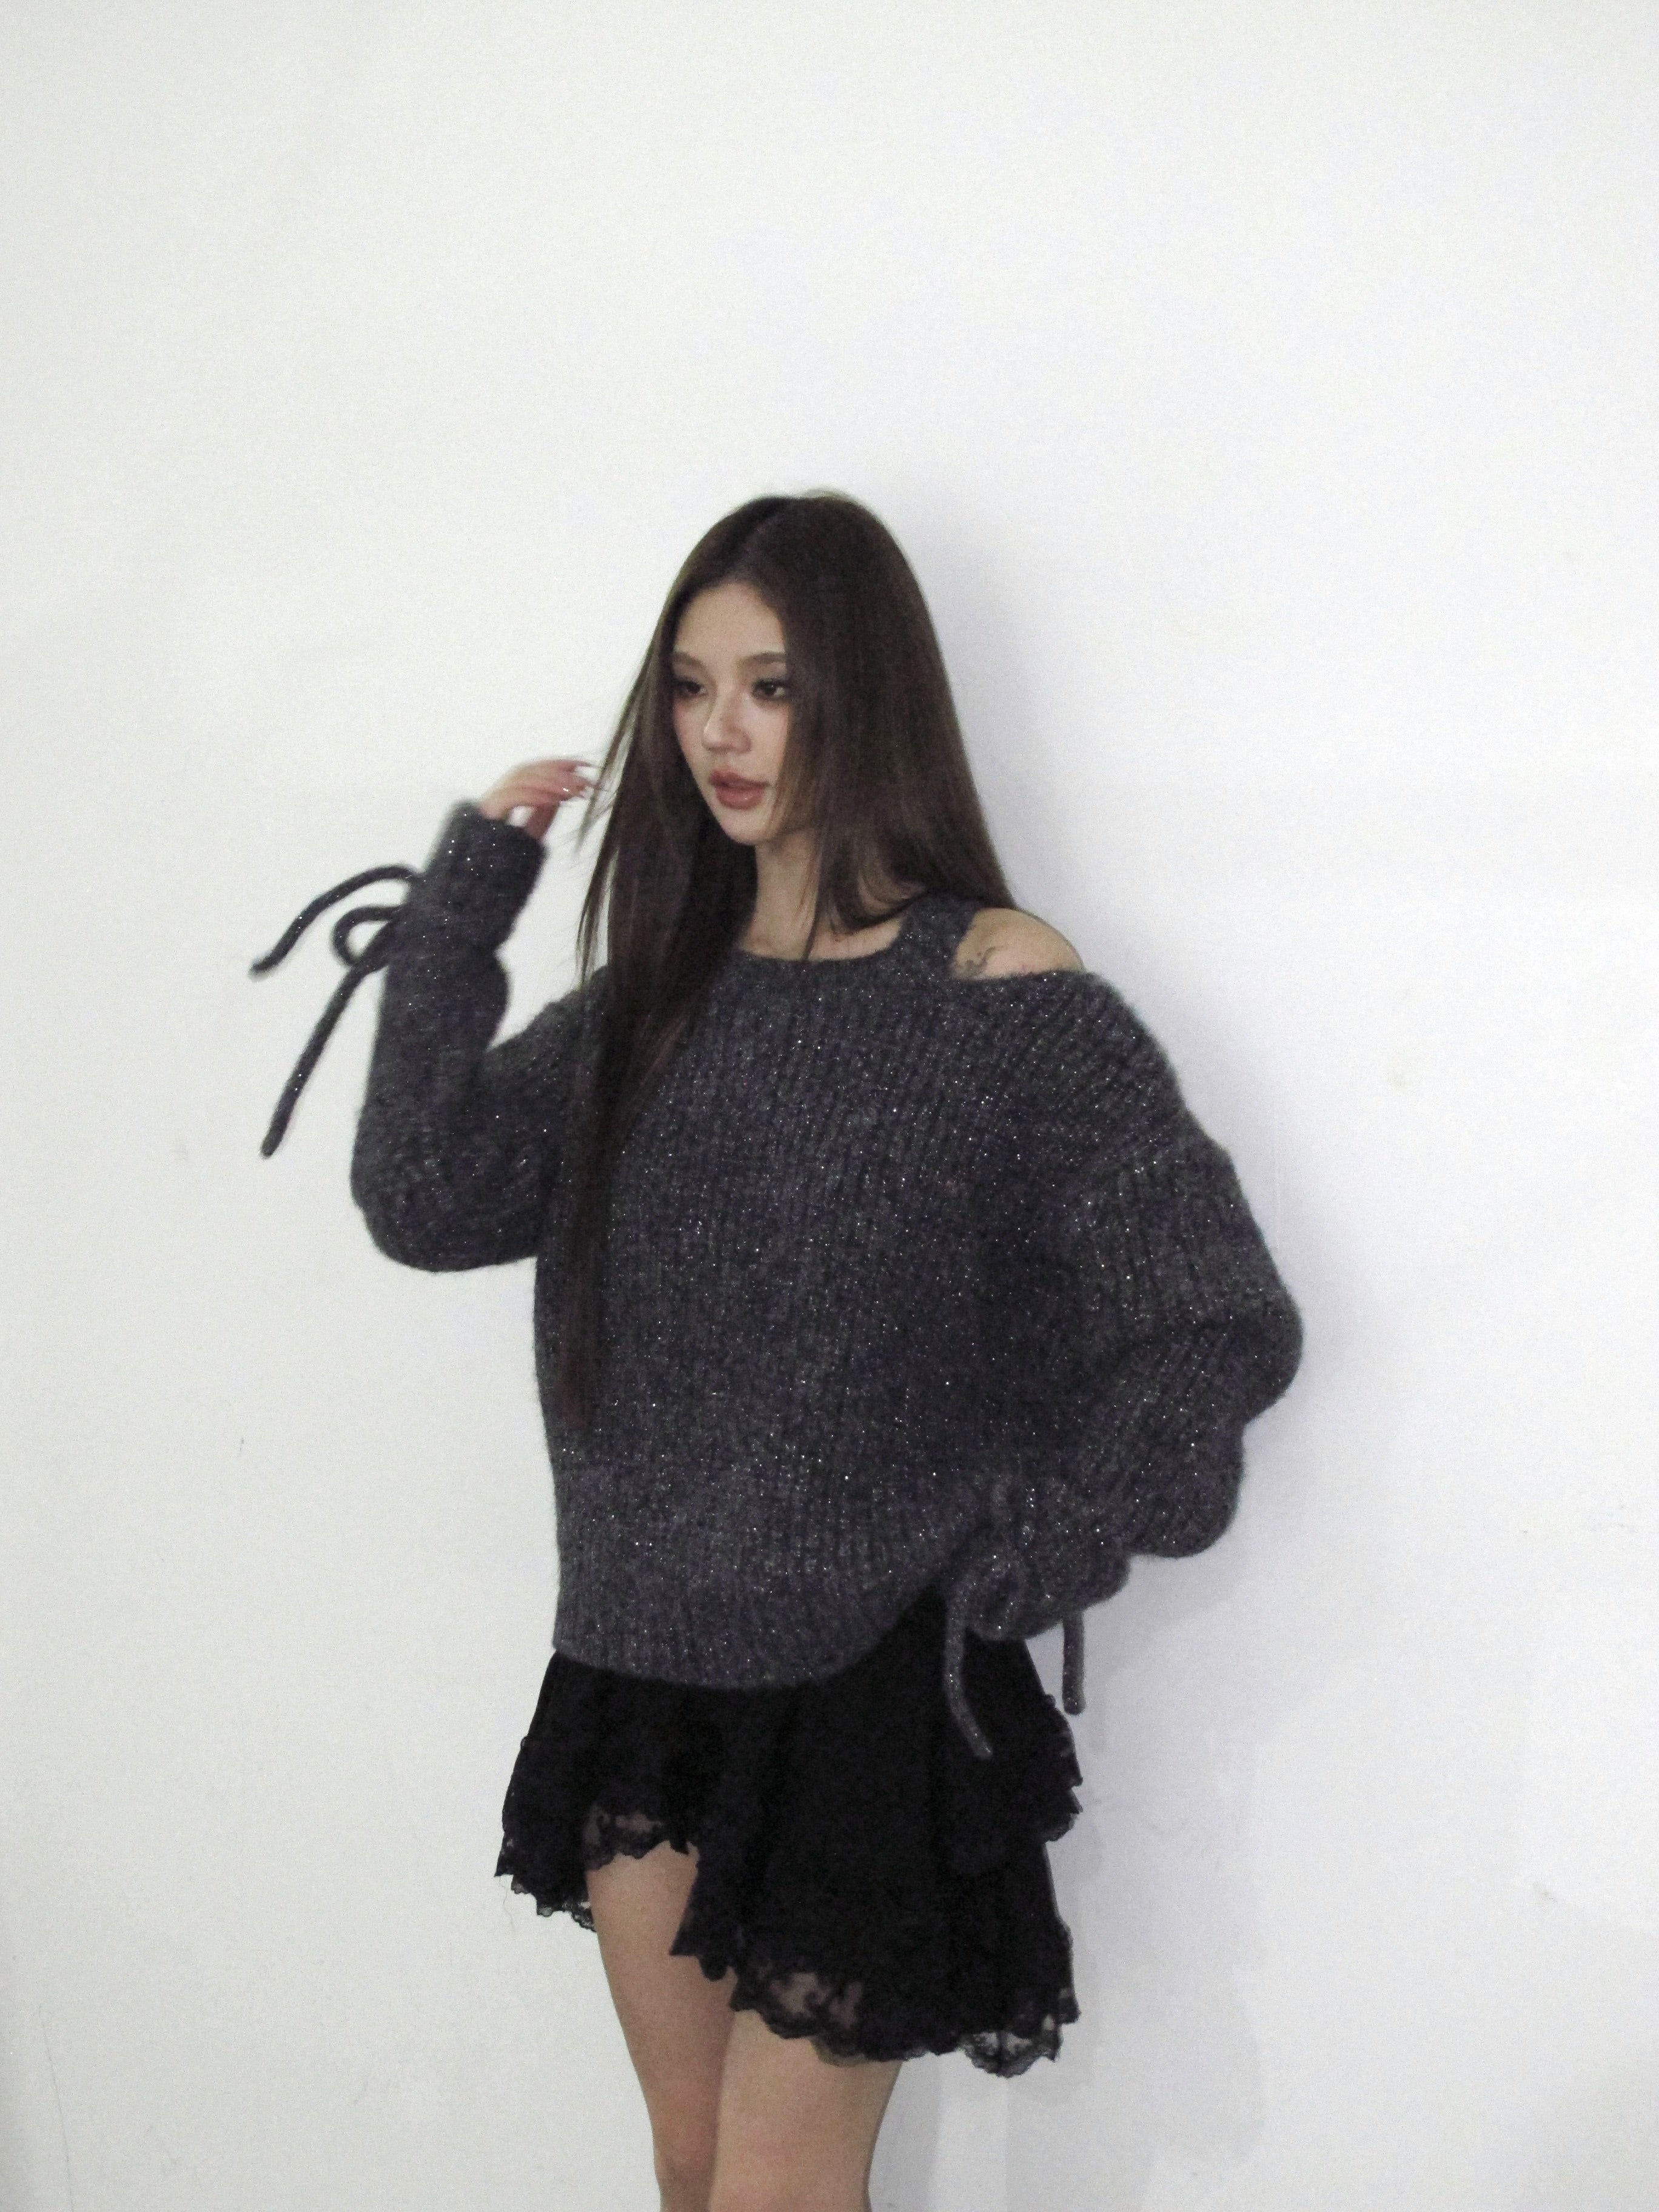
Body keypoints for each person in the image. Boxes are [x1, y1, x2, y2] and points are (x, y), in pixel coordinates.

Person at [252, 490, 1302, 2212]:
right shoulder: (648, 1004)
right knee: (690, 2167)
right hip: (642, 1660)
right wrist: (458, 916)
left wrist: (1058, 1530)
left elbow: (1207, 1313)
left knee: (774, 2196)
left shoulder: (993, 987)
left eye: (771, 686)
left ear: (864, 697)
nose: (719, 733)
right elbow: (425, 1195)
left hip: (865, 1688)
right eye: (689, 687)